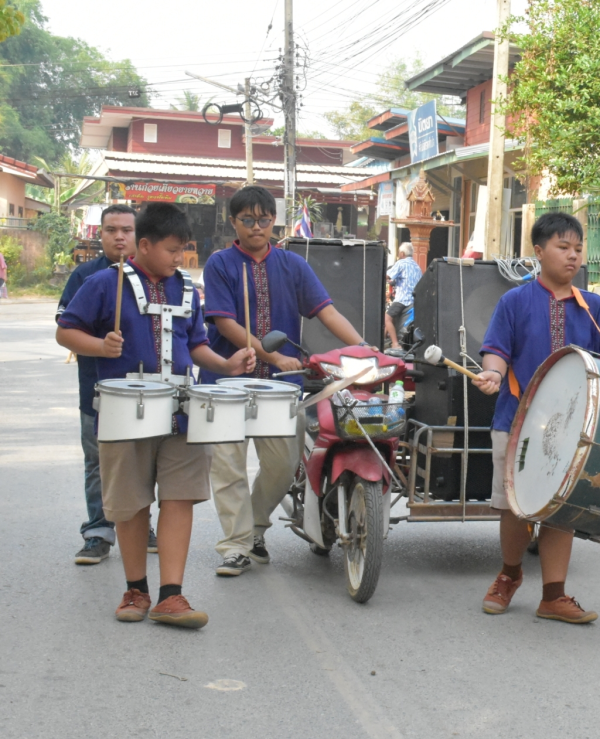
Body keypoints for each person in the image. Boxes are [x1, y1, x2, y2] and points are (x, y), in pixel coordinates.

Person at [56, 202, 257, 628]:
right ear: (143, 245)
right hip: (125, 412)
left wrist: (227, 365)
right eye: (171, 250)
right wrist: (99, 347)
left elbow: (197, 345)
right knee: (131, 504)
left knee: (179, 497)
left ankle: (171, 595)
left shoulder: (187, 289)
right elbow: (65, 329)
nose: (178, 258)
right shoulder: (104, 285)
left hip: (182, 412)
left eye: (183, 249)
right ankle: (135, 590)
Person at [202, 185, 371, 577]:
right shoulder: (220, 263)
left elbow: (326, 311)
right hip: (226, 380)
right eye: (248, 220)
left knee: (283, 464)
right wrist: (272, 355)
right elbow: (226, 323)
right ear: (234, 222)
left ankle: (254, 528)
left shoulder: (292, 265)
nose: (257, 227)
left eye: (264, 219)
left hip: (281, 385)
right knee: (228, 466)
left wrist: (364, 348)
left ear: (273, 221)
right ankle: (235, 546)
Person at [471, 212, 600, 624]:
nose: (573, 256)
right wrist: (492, 373)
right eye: (562, 247)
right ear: (538, 252)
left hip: (576, 428)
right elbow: (497, 350)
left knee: (562, 507)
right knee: (514, 508)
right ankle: (509, 574)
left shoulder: (593, 308)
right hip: (516, 421)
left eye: (577, 248)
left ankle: (553, 596)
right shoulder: (515, 301)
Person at [56, 205, 163, 564]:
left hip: (150, 393)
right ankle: (99, 531)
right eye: (110, 229)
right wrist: (100, 346)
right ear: (99, 234)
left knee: (144, 462)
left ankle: (139, 522)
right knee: (98, 462)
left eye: (126, 230)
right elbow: (65, 333)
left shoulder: (158, 277)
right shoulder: (86, 277)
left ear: (140, 237)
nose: (119, 236)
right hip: (98, 391)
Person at [385, 242, 422, 349]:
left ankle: (395, 344)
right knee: (392, 319)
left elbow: (387, 276)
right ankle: (385, 342)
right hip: (414, 301)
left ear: (401, 253)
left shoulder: (401, 263)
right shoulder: (417, 267)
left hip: (402, 299)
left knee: (387, 318)